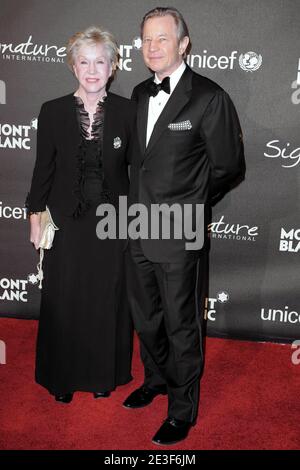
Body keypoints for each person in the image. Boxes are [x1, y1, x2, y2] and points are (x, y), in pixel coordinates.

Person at [123, 7, 245, 445]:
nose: (152, 47)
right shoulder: (137, 93)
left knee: (181, 322)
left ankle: (182, 409)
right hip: (134, 224)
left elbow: (229, 166)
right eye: (145, 40)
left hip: (180, 229)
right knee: (146, 317)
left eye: (162, 39)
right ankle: (155, 379)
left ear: (183, 44)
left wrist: (191, 202)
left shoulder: (209, 97)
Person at [26, 26, 136, 403]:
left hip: (113, 221)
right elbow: (44, 169)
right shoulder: (52, 111)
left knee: (107, 298)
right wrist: (35, 217)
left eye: (100, 61)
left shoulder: (128, 111)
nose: (92, 70)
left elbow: (136, 172)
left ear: (113, 66)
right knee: (64, 297)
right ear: (73, 66)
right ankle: (62, 378)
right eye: (84, 61)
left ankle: (103, 374)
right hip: (65, 222)